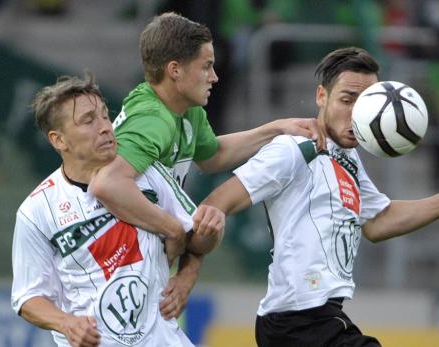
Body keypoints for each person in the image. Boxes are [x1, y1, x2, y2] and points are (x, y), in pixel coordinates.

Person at [197, 47, 439, 347]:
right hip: (297, 320)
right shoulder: (294, 148)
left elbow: (379, 222)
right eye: (347, 99)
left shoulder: (348, 159)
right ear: (321, 96)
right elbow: (217, 202)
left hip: (316, 319)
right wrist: (189, 270)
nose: (357, 113)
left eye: (366, 103)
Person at [91, 11, 321, 319]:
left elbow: (212, 156)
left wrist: (275, 128)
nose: (214, 77)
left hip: (141, 269)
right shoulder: (152, 119)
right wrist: (174, 230)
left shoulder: (185, 109)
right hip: (111, 273)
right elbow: (106, 183)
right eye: (206, 66)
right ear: (175, 70)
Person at [11, 74, 221, 347]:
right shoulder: (36, 211)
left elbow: (195, 238)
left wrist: (188, 273)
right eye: (88, 120)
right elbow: (27, 298)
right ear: (58, 140)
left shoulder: (147, 172)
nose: (105, 128)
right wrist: (66, 322)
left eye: (104, 116)